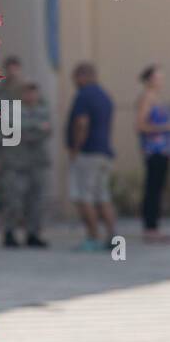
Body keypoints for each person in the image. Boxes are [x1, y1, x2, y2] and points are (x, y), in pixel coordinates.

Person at [66, 62, 117, 252]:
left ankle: (93, 237)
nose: (75, 82)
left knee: (83, 197)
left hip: (87, 154)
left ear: (83, 76)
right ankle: (113, 236)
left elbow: (82, 123)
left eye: (76, 78)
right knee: (103, 196)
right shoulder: (104, 96)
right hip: (104, 153)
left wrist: (75, 148)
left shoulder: (84, 95)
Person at [0, 81, 51, 247]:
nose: (31, 96)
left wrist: (28, 130)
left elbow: (47, 130)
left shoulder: (43, 110)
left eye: (33, 93)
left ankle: (33, 233)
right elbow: (9, 132)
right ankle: (9, 232)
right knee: (13, 200)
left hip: (36, 163)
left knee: (36, 201)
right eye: (27, 92)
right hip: (15, 163)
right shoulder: (12, 110)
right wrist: (34, 128)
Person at [135, 64, 170, 242]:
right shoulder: (146, 98)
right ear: (149, 80)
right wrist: (165, 127)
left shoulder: (157, 98)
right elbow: (141, 125)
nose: (161, 81)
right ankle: (150, 228)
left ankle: (154, 226)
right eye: (157, 77)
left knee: (158, 188)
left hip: (163, 150)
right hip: (154, 150)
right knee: (152, 188)